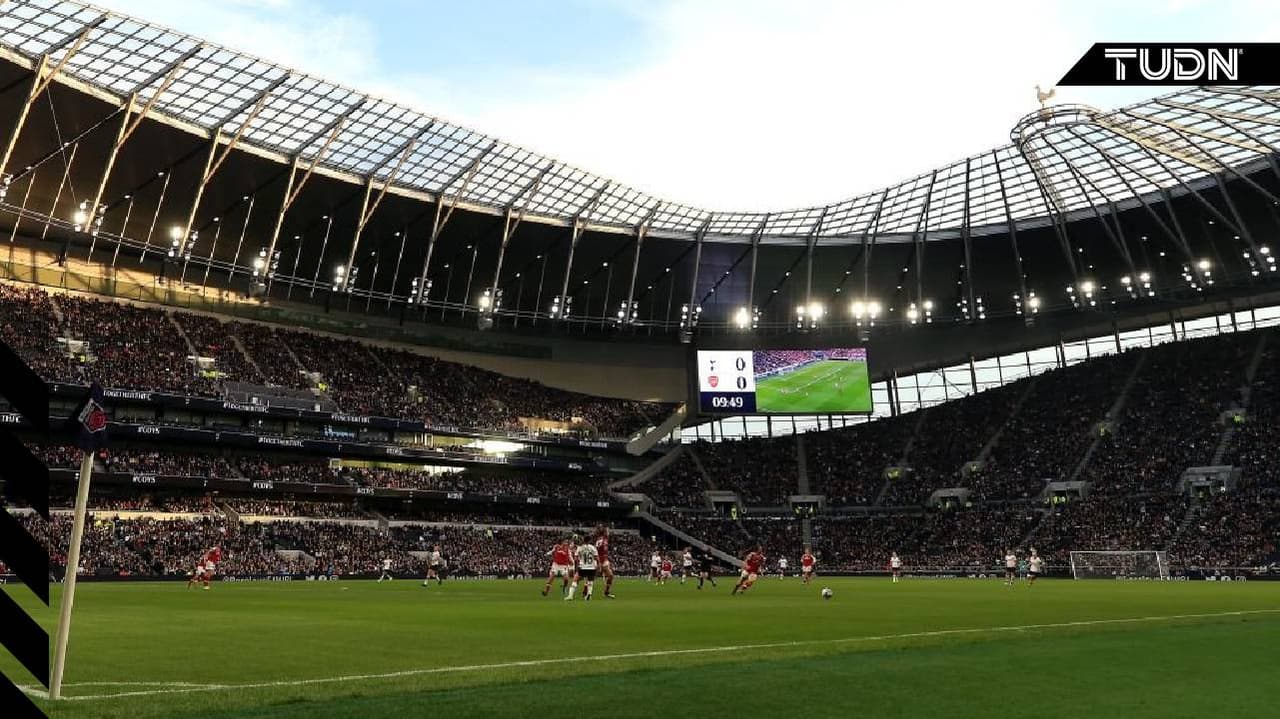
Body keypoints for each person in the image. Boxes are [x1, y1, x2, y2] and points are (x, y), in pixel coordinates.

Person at [566, 536, 599, 602]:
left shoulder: (580, 548)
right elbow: (596, 558)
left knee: (575, 580)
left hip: (582, 567)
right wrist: (598, 565)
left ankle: (570, 596)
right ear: (589, 541)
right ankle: (589, 594)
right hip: (592, 567)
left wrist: (579, 561)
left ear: (583, 540)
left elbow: (575, 558)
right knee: (590, 582)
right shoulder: (593, 548)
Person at [595, 527, 617, 599]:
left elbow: (605, 551)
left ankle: (606, 592)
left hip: (605, 560)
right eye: (607, 531)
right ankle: (585, 590)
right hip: (600, 561)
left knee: (610, 576)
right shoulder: (600, 541)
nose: (609, 532)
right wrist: (599, 562)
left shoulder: (606, 540)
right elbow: (596, 551)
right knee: (593, 576)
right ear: (604, 532)